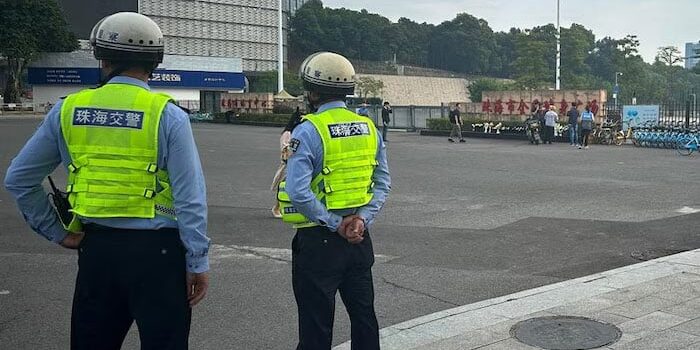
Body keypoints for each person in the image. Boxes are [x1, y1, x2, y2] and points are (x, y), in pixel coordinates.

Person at [4, 12, 209, 349]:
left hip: (97, 251)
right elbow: (190, 199)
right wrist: (198, 262)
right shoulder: (168, 115)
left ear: (102, 57)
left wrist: (57, 231)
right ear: (154, 62)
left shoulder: (69, 109)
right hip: (159, 257)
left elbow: (20, 179)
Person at [279, 51, 391, 350]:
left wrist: (334, 223)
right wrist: (361, 220)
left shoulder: (308, 129)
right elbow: (382, 183)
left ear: (312, 91)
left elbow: (298, 191)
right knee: (364, 319)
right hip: (359, 239)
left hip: (319, 241)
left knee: (316, 325)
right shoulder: (369, 128)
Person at [271, 107, 304, 217]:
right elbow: (285, 149)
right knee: (283, 187)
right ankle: (277, 208)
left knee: (289, 188)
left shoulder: (296, 132)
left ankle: (282, 208)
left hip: (294, 163)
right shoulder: (288, 133)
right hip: (287, 164)